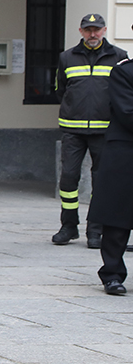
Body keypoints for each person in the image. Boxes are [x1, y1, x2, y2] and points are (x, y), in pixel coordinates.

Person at [52, 13, 127, 247]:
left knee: (101, 182)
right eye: (88, 30)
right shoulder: (67, 57)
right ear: (81, 31)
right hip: (73, 130)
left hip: (105, 130)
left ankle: (95, 230)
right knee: (68, 179)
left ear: (104, 30)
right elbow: (59, 89)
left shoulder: (119, 57)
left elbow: (123, 91)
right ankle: (68, 226)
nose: (92, 34)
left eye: (96, 30)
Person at [88, 40, 133, 295]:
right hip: (126, 152)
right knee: (118, 218)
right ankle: (112, 274)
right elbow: (127, 112)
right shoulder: (124, 71)